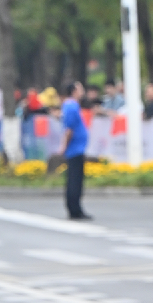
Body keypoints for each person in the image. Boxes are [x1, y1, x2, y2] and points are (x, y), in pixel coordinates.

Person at [59, 82, 91, 220]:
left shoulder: (71, 106)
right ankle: (74, 209)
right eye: (80, 89)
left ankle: (75, 207)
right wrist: (64, 146)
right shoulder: (71, 106)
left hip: (77, 147)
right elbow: (69, 129)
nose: (82, 92)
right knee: (75, 180)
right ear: (73, 91)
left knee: (75, 179)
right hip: (75, 149)